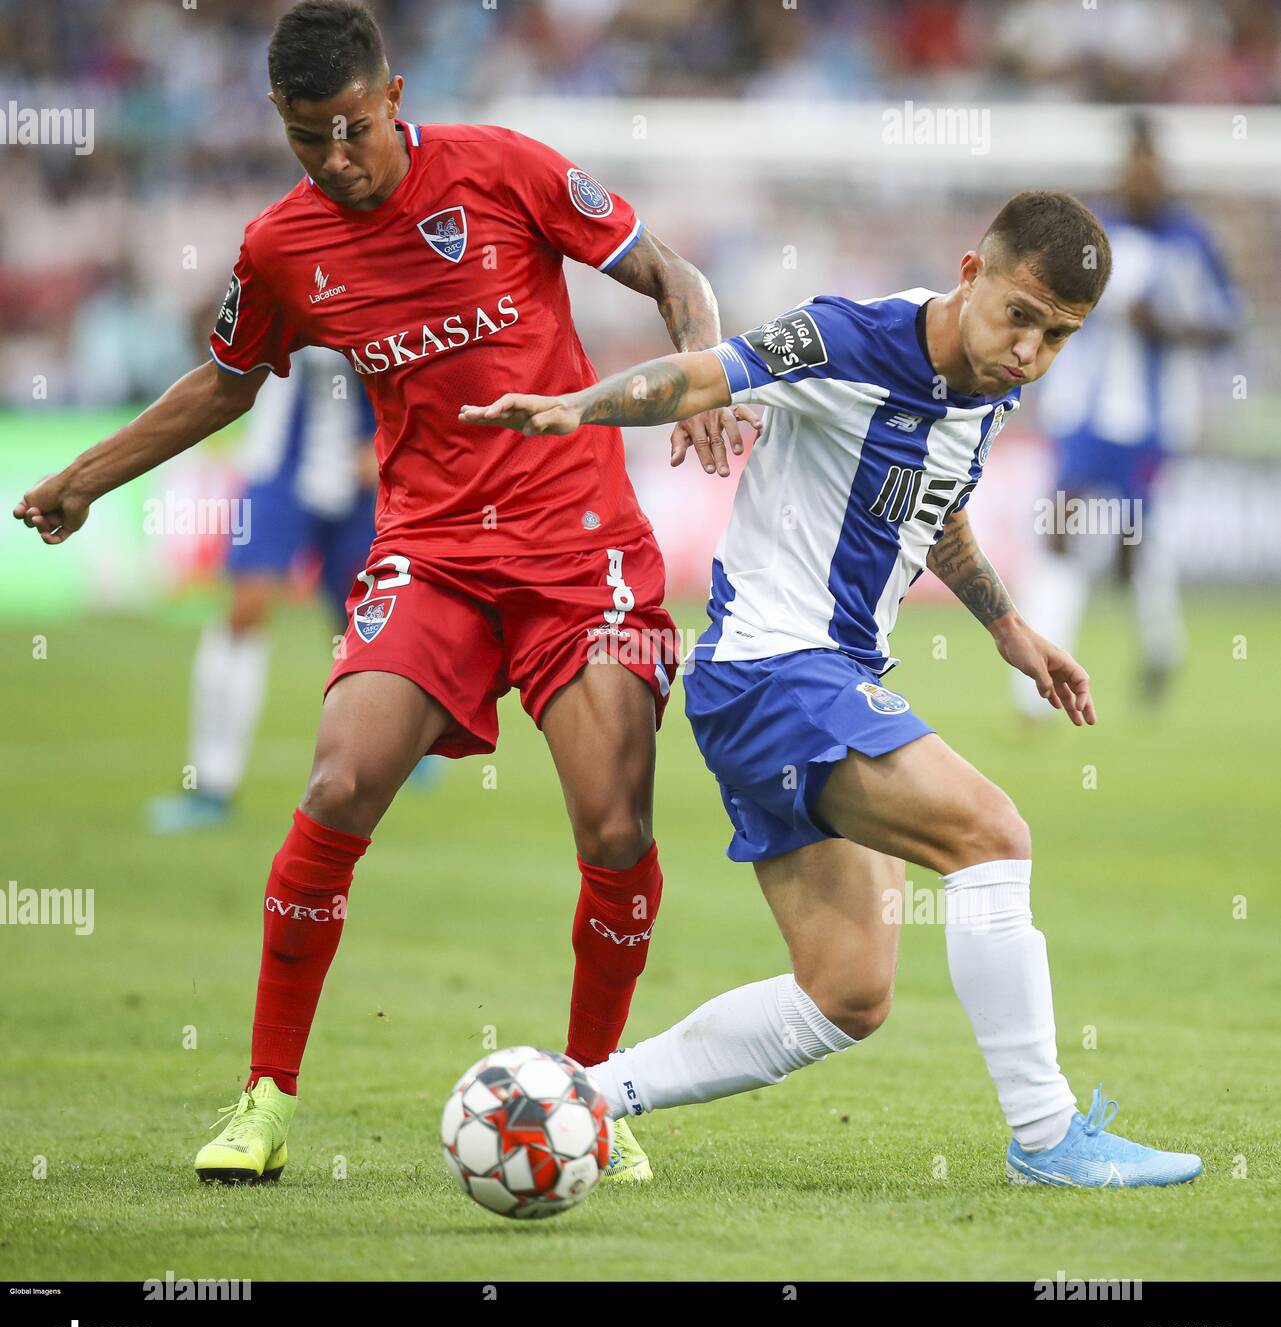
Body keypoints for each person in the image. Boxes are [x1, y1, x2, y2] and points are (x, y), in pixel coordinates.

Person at [14, 0, 757, 1186]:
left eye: (355, 127)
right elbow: (222, 385)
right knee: (340, 779)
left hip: (579, 558)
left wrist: (708, 380)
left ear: (394, 96)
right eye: (311, 138)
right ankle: (264, 1097)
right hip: (434, 553)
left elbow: (673, 271)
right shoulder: (280, 248)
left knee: (614, 826)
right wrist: (84, 478)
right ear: (282, 123)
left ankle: (589, 1100)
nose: (339, 157)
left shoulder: (506, 172)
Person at [461, 190, 1203, 1187]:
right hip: (776, 672)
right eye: (1020, 317)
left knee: (847, 991)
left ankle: (583, 1095)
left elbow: (932, 503)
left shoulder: (988, 383)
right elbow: (701, 375)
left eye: (1059, 336)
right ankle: (1047, 1135)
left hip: (816, 680)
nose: (1029, 350)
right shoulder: (846, 338)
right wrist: (578, 409)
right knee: (994, 834)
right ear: (972, 272)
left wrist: (1010, 627)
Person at [1012, 116, 1238, 715]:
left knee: (1132, 545)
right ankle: (1034, 693)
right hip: (1082, 414)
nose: (1140, 177)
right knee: (1059, 530)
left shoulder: (1190, 242)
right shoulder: (1094, 236)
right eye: (1131, 166)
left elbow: (1227, 322)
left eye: (1149, 166)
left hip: (1151, 422)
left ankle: (1160, 647)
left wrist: (1167, 326)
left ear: (1161, 171)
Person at [147, 348, 380, 834]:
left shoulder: (395, 283)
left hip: (365, 476)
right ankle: (212, 784)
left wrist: (391, 439)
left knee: (370, 622)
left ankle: (406, 739)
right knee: (243, 613)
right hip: (278, 470)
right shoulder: (285, 274)